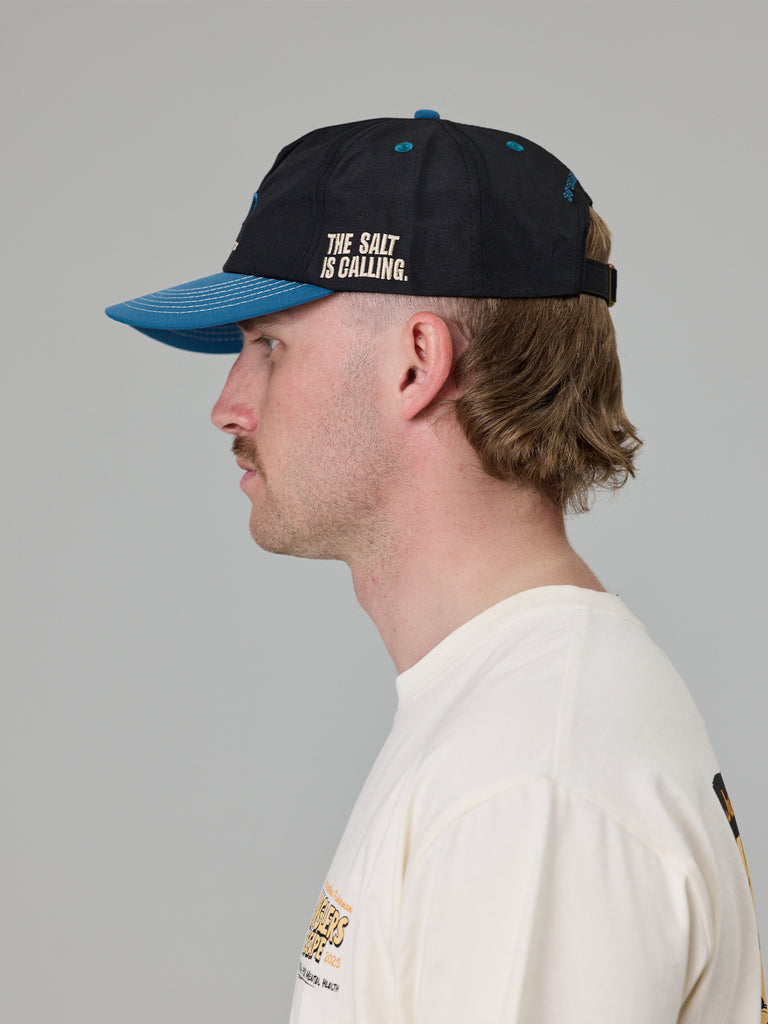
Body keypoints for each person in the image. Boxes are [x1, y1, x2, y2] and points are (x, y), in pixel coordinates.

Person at [106, 110, 765, 1024]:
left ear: (417, 365)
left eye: (269, 345)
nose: (228, 406)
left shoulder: (526, 784)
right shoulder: (510, 723)